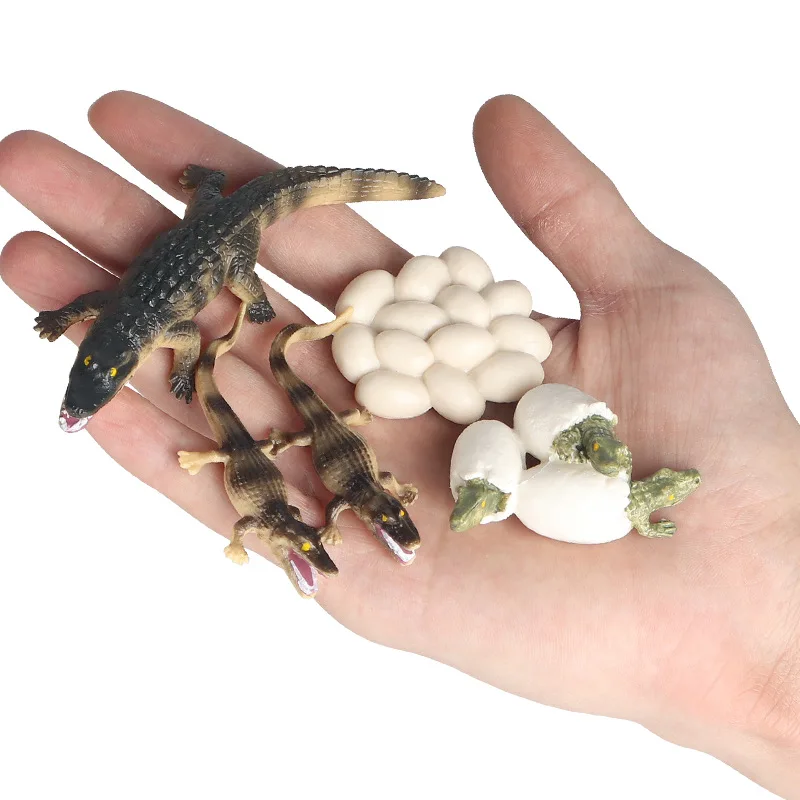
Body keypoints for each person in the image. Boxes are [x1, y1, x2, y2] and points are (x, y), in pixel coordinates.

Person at [1, 91, 798, 798]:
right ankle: (213, 201)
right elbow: (117, 313)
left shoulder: (303, 450)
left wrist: (238, 318)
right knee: (210, 274)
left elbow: (181, 332)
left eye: (101, 368)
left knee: (236, 263)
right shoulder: (125, 324)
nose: (100, 371)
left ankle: (220, 208)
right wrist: (118, 334)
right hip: (238, 311)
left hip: (235, 255)